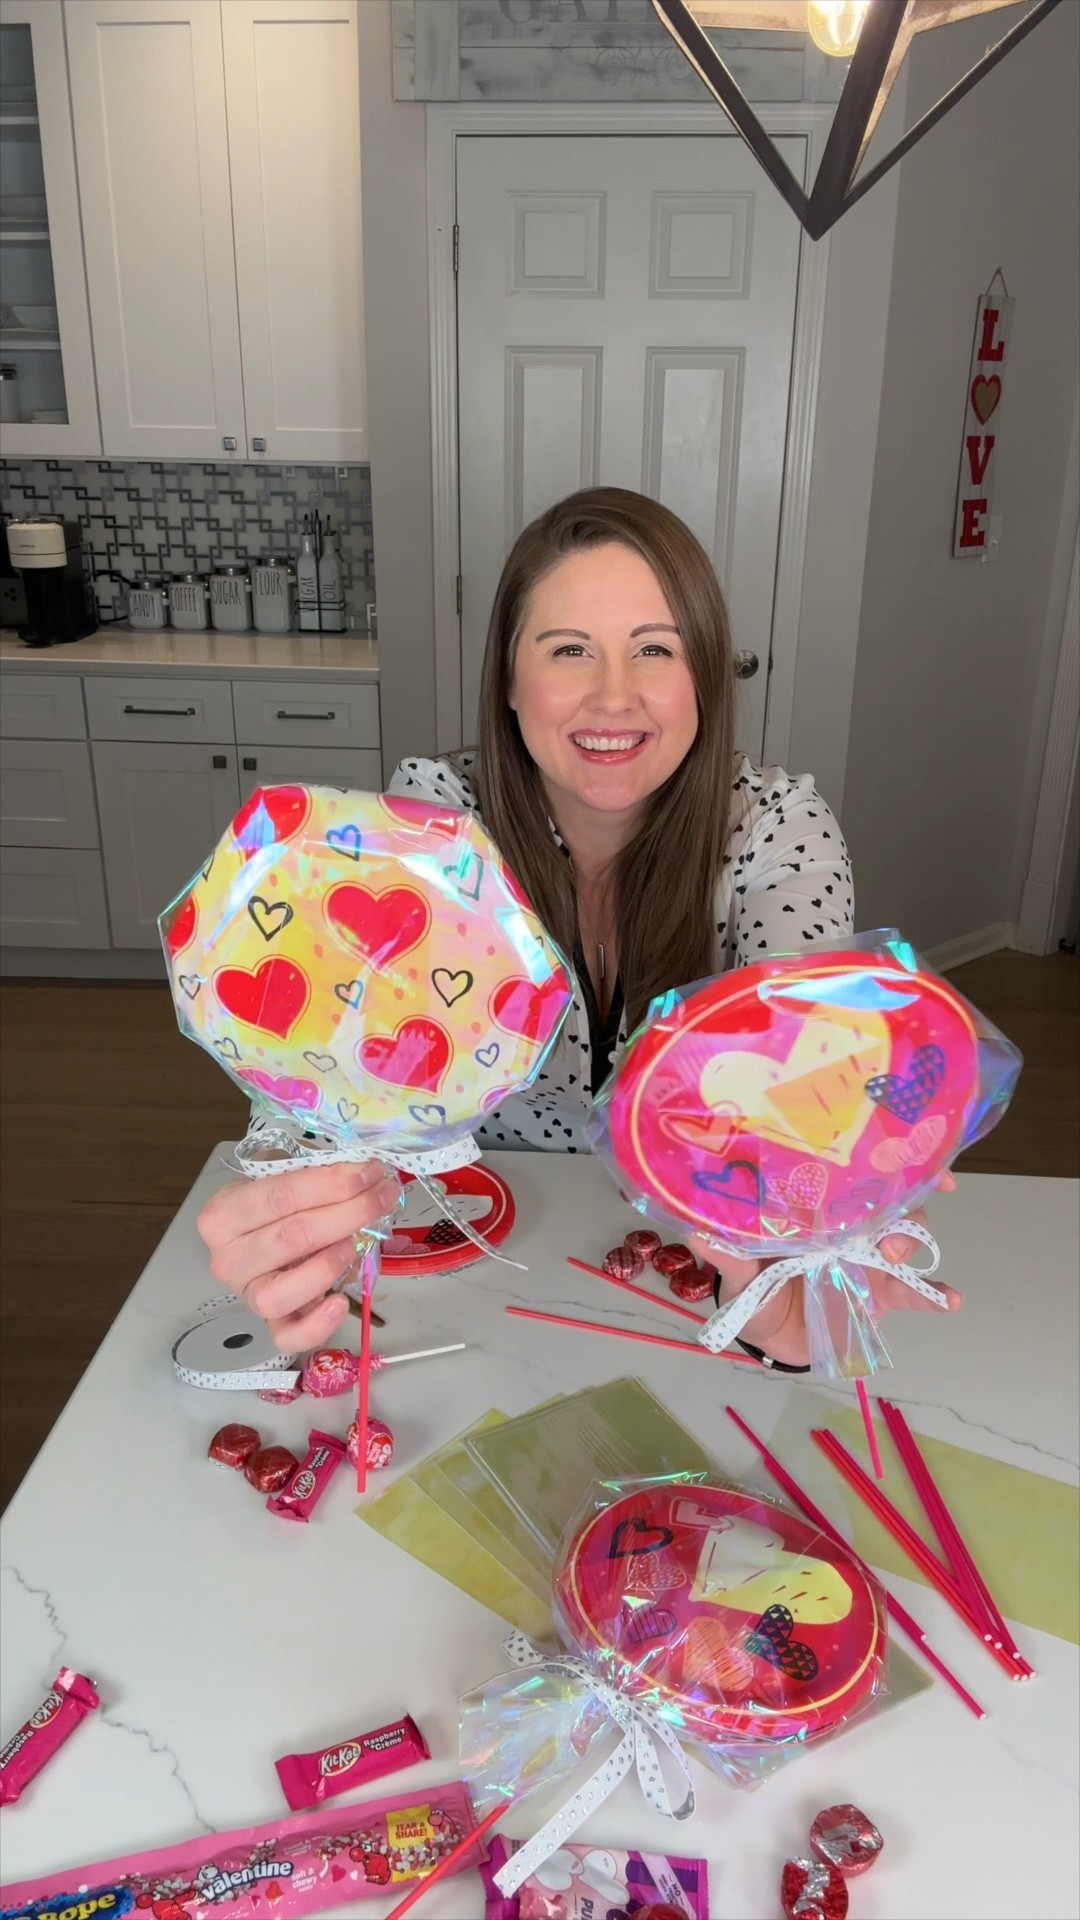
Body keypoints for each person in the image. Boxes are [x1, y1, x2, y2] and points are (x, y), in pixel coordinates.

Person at [198, 488, 958, 1364]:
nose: (613, 696)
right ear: (509, 681)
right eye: (569, 650)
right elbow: (348, 1069)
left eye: (655, 650)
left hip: (683, 1277)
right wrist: (300, 1201)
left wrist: (790, 1268)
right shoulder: (437, 825)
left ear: (706, 679)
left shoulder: (778, 831)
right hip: (479, 1265)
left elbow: (799, 1086)